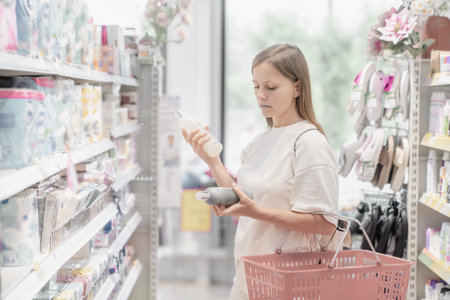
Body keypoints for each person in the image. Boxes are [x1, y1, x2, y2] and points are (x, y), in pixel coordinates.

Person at [182, 44, 339, 300]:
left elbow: (323, 222)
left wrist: (256, 211)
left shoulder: (309, 143)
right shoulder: (259, 143)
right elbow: (242, 198)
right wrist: (212, 162)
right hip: (247, 277)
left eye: (271, 87)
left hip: (290, 283)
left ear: (298, 88)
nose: (261, 95)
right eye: (256, 86)